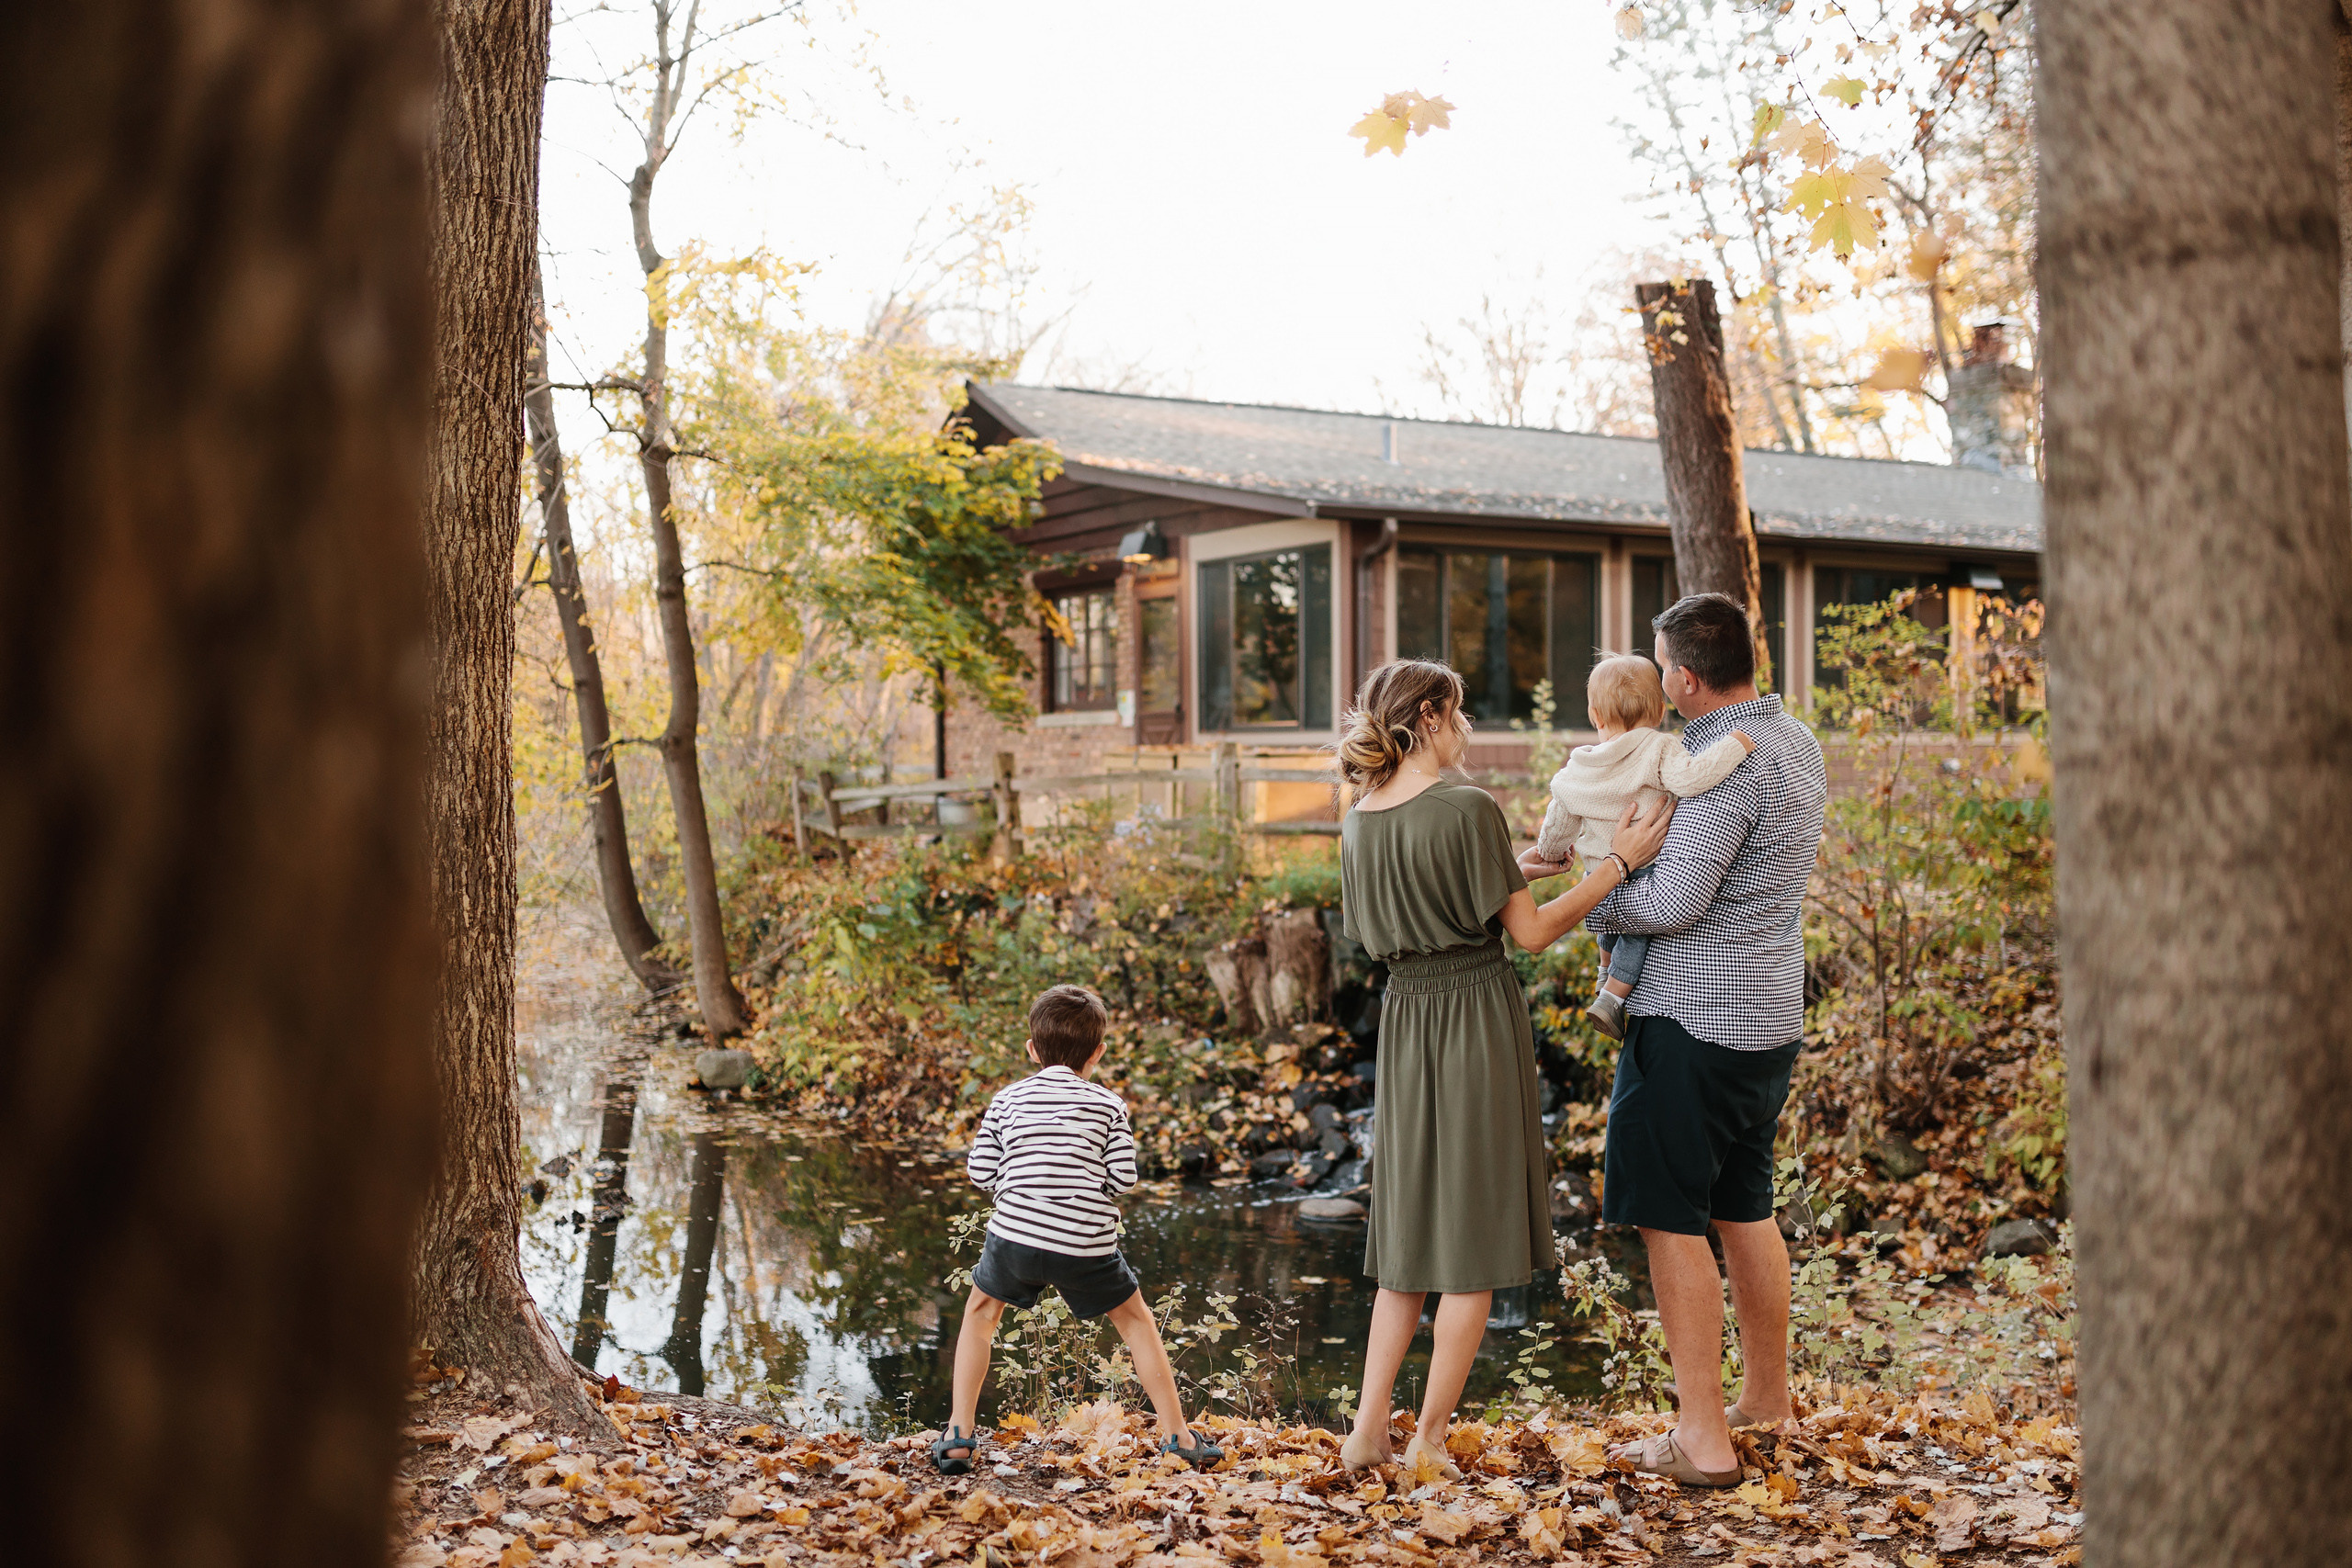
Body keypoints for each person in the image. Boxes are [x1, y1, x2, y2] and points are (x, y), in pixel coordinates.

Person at [1334, 659, 1677, 1478]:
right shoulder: (1467, 808)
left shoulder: (1358, 818)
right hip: (1475, 1022)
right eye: (1459, 715)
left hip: (1407, 1027)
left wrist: (1508, 873)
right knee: (1475, 1243)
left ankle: (1365, 1431)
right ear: (1426, 715)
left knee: (1410, 1238)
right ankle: (1427, 1442)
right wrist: (1618, 863)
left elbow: (1398, 920)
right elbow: (1529, 936)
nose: (1467, 731)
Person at [1521, 592, 1827, 1489]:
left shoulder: (1713, 763)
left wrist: (1601, 884)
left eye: (1661, 668)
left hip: (1691, 1019)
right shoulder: (1794, 740)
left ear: (1686, 677)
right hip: (1768, 1014)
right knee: (1744, 1206)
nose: (1657, 682)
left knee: (1667, 1219)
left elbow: (1671, 900)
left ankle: (1701, 1438)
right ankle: (1765, 1398)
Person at [934, 985, 1223, 1474]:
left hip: (1015, 1236)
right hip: (1085, 1242)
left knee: (980, 1315)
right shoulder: (1109, 1106)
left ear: (1032, 1049)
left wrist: (1025, 1189)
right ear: (1098, 1053)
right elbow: (1123, 1178)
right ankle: (1178, 1436)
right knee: (1135, 1323)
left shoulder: (1006, 1100)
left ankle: (959, 1436)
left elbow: (980, 1173)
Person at [1532, 653, 1755, 1042]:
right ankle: (1613, 997)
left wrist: (1551, 854)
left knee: (1607, 920)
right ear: (1658, 707)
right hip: (1643, 868)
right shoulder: (1659, 749)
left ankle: (1603, 972)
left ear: (1595, 716)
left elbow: (1557, 824)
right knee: (1636, 934)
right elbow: (1691, 779)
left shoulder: (1576, 769)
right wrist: (1734, 745)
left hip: (1597, 876)